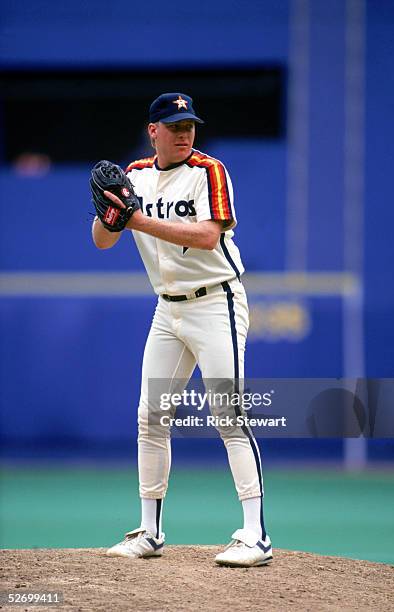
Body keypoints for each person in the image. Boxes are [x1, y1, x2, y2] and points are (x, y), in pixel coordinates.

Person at [92, 92, 272, 567]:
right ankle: (149, 531)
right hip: (166, 311)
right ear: (153, 131)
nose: (185, 132)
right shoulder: (134, 177)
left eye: (189, 124)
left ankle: (256, 535)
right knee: (150, 417)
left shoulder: (208, 171)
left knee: (229, 415)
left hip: (216, 302)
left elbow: (209, 235)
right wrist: (111, 216)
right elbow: (103, 241)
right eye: (174, 126)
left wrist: (137, 219)